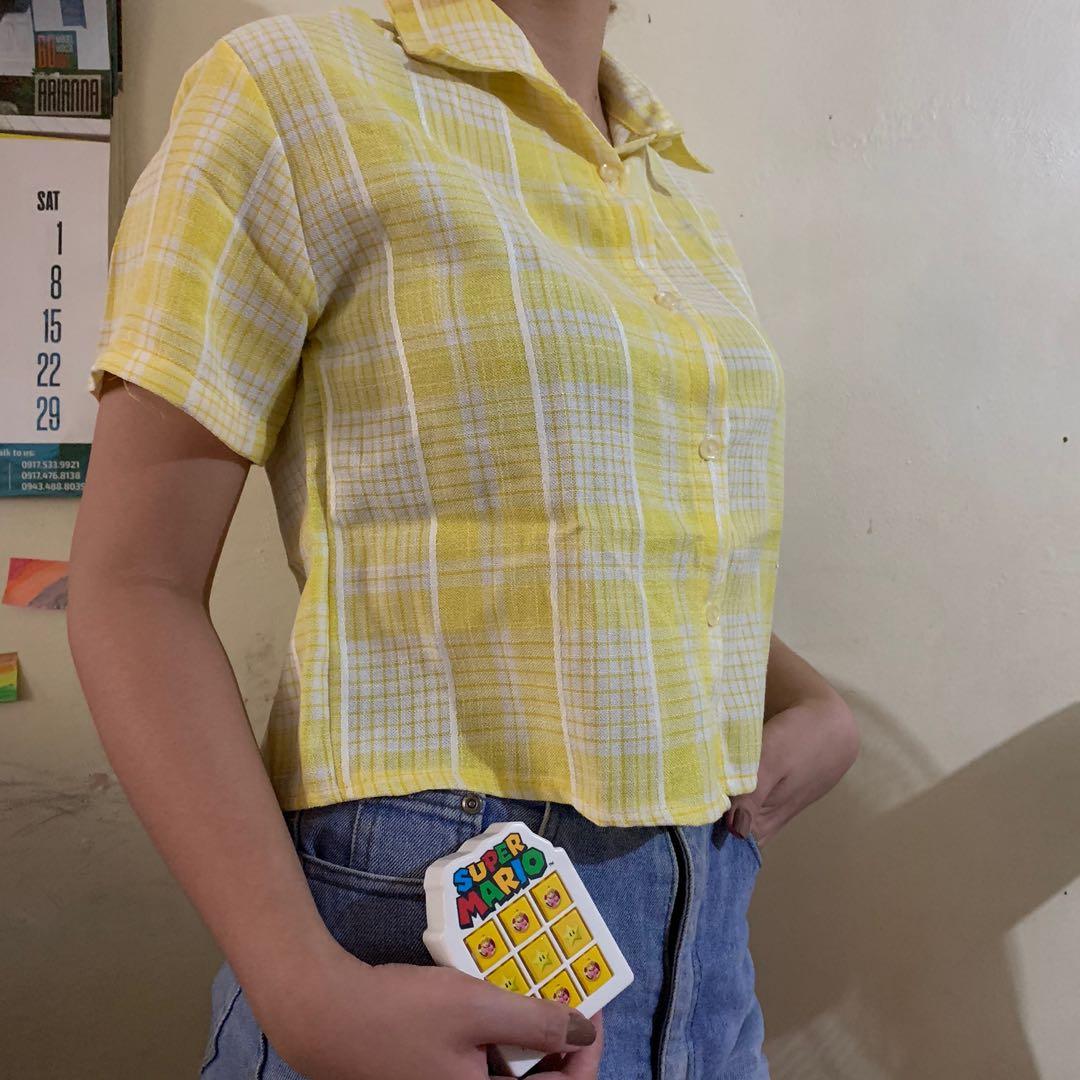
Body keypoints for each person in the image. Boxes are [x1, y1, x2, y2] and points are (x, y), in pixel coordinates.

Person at [67, 1, 860, 1078]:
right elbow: (132, 579)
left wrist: (808, 698)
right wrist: (305, 992)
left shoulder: (662, 190)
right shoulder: (296, 86)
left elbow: (596, 545)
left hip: (706, 944)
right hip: (422, 930)